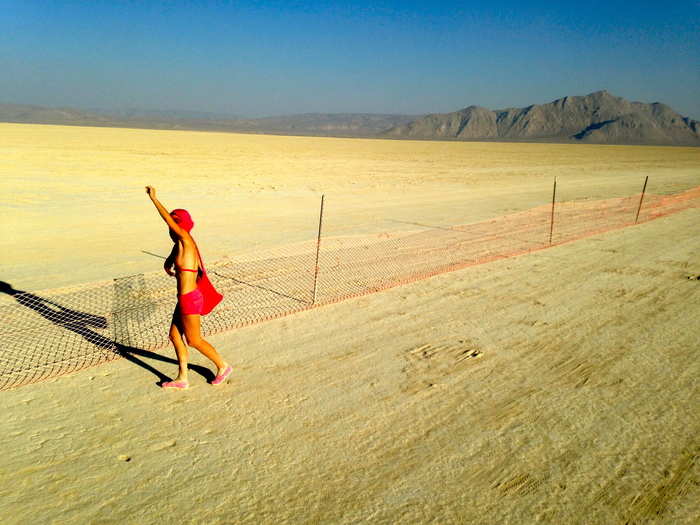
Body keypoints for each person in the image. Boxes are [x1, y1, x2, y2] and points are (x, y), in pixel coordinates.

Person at [146, 186, 231, 390]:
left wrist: (154, 199)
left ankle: (223, 365)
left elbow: (168, 220)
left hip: (190, 299)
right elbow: (172, 258)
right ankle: (182, 377)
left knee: (194, 340)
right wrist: (167, 265)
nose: (169, 229)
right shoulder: (180, 245)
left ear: (179, 225)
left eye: (173, 225)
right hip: (183, 299)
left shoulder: (185, 238)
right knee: (174, 336)